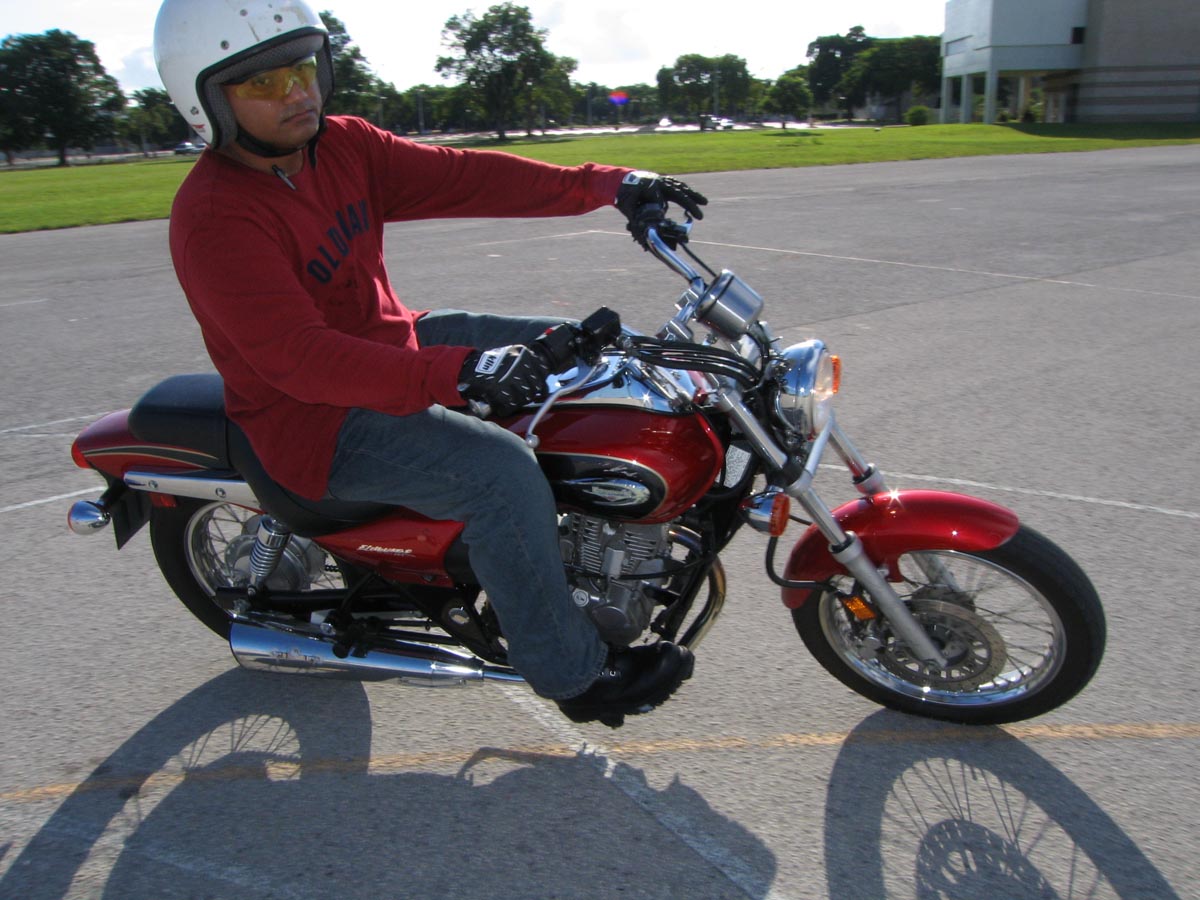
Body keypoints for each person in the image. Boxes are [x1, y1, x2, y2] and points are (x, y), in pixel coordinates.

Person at [152, 0, 709, 726]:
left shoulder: (342, 146)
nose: (297, 92)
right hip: (316, 424)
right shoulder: (215, 216)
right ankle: (571, 672)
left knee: (586, 348)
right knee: (502, 475)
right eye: (264, 82)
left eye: (302, 68)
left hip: (394, 345)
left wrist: (610, 184)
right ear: (208, 102)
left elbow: (470, 176)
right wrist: (461, 372)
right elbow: (299, 358)